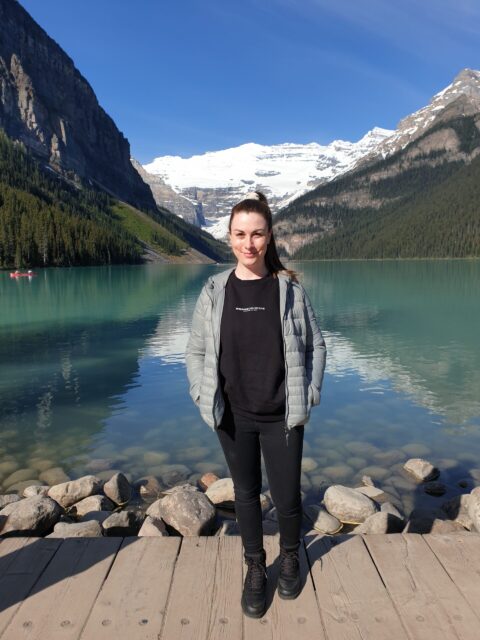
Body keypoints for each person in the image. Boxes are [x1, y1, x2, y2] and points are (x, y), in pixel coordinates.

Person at [185, 191, 326, 618]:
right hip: (232, 417)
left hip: (283, 416)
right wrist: (199, 394)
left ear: (269, 237)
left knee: (286, 498)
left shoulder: (288, 290)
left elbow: (316, 344)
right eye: (240, 234)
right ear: (229, 237)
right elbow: (194, 352)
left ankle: (288, 556)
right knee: (245, 495)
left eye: (257, 234)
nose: (249, 244)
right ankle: (254, 566)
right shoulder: (213, 291)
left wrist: (311, 392)